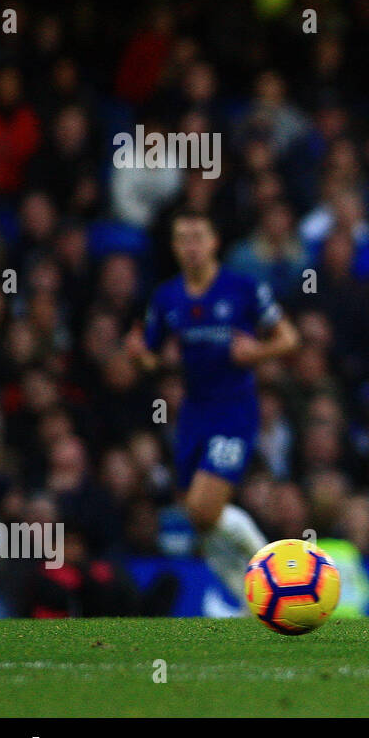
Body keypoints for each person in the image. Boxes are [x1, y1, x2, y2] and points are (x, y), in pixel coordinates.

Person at [126, 207, 300, 600]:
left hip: (234, 410)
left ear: (214, 242)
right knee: (198, 518)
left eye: (198, 237)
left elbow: (289, 338)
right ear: (173, 246)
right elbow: (151, 356)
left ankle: (266, 560)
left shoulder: (243, 288)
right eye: (182, 239)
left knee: (205, 510)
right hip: (193, 412)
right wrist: (140, 355)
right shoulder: (167, 297)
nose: (191, 247)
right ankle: (247, 597)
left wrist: (256, 353)